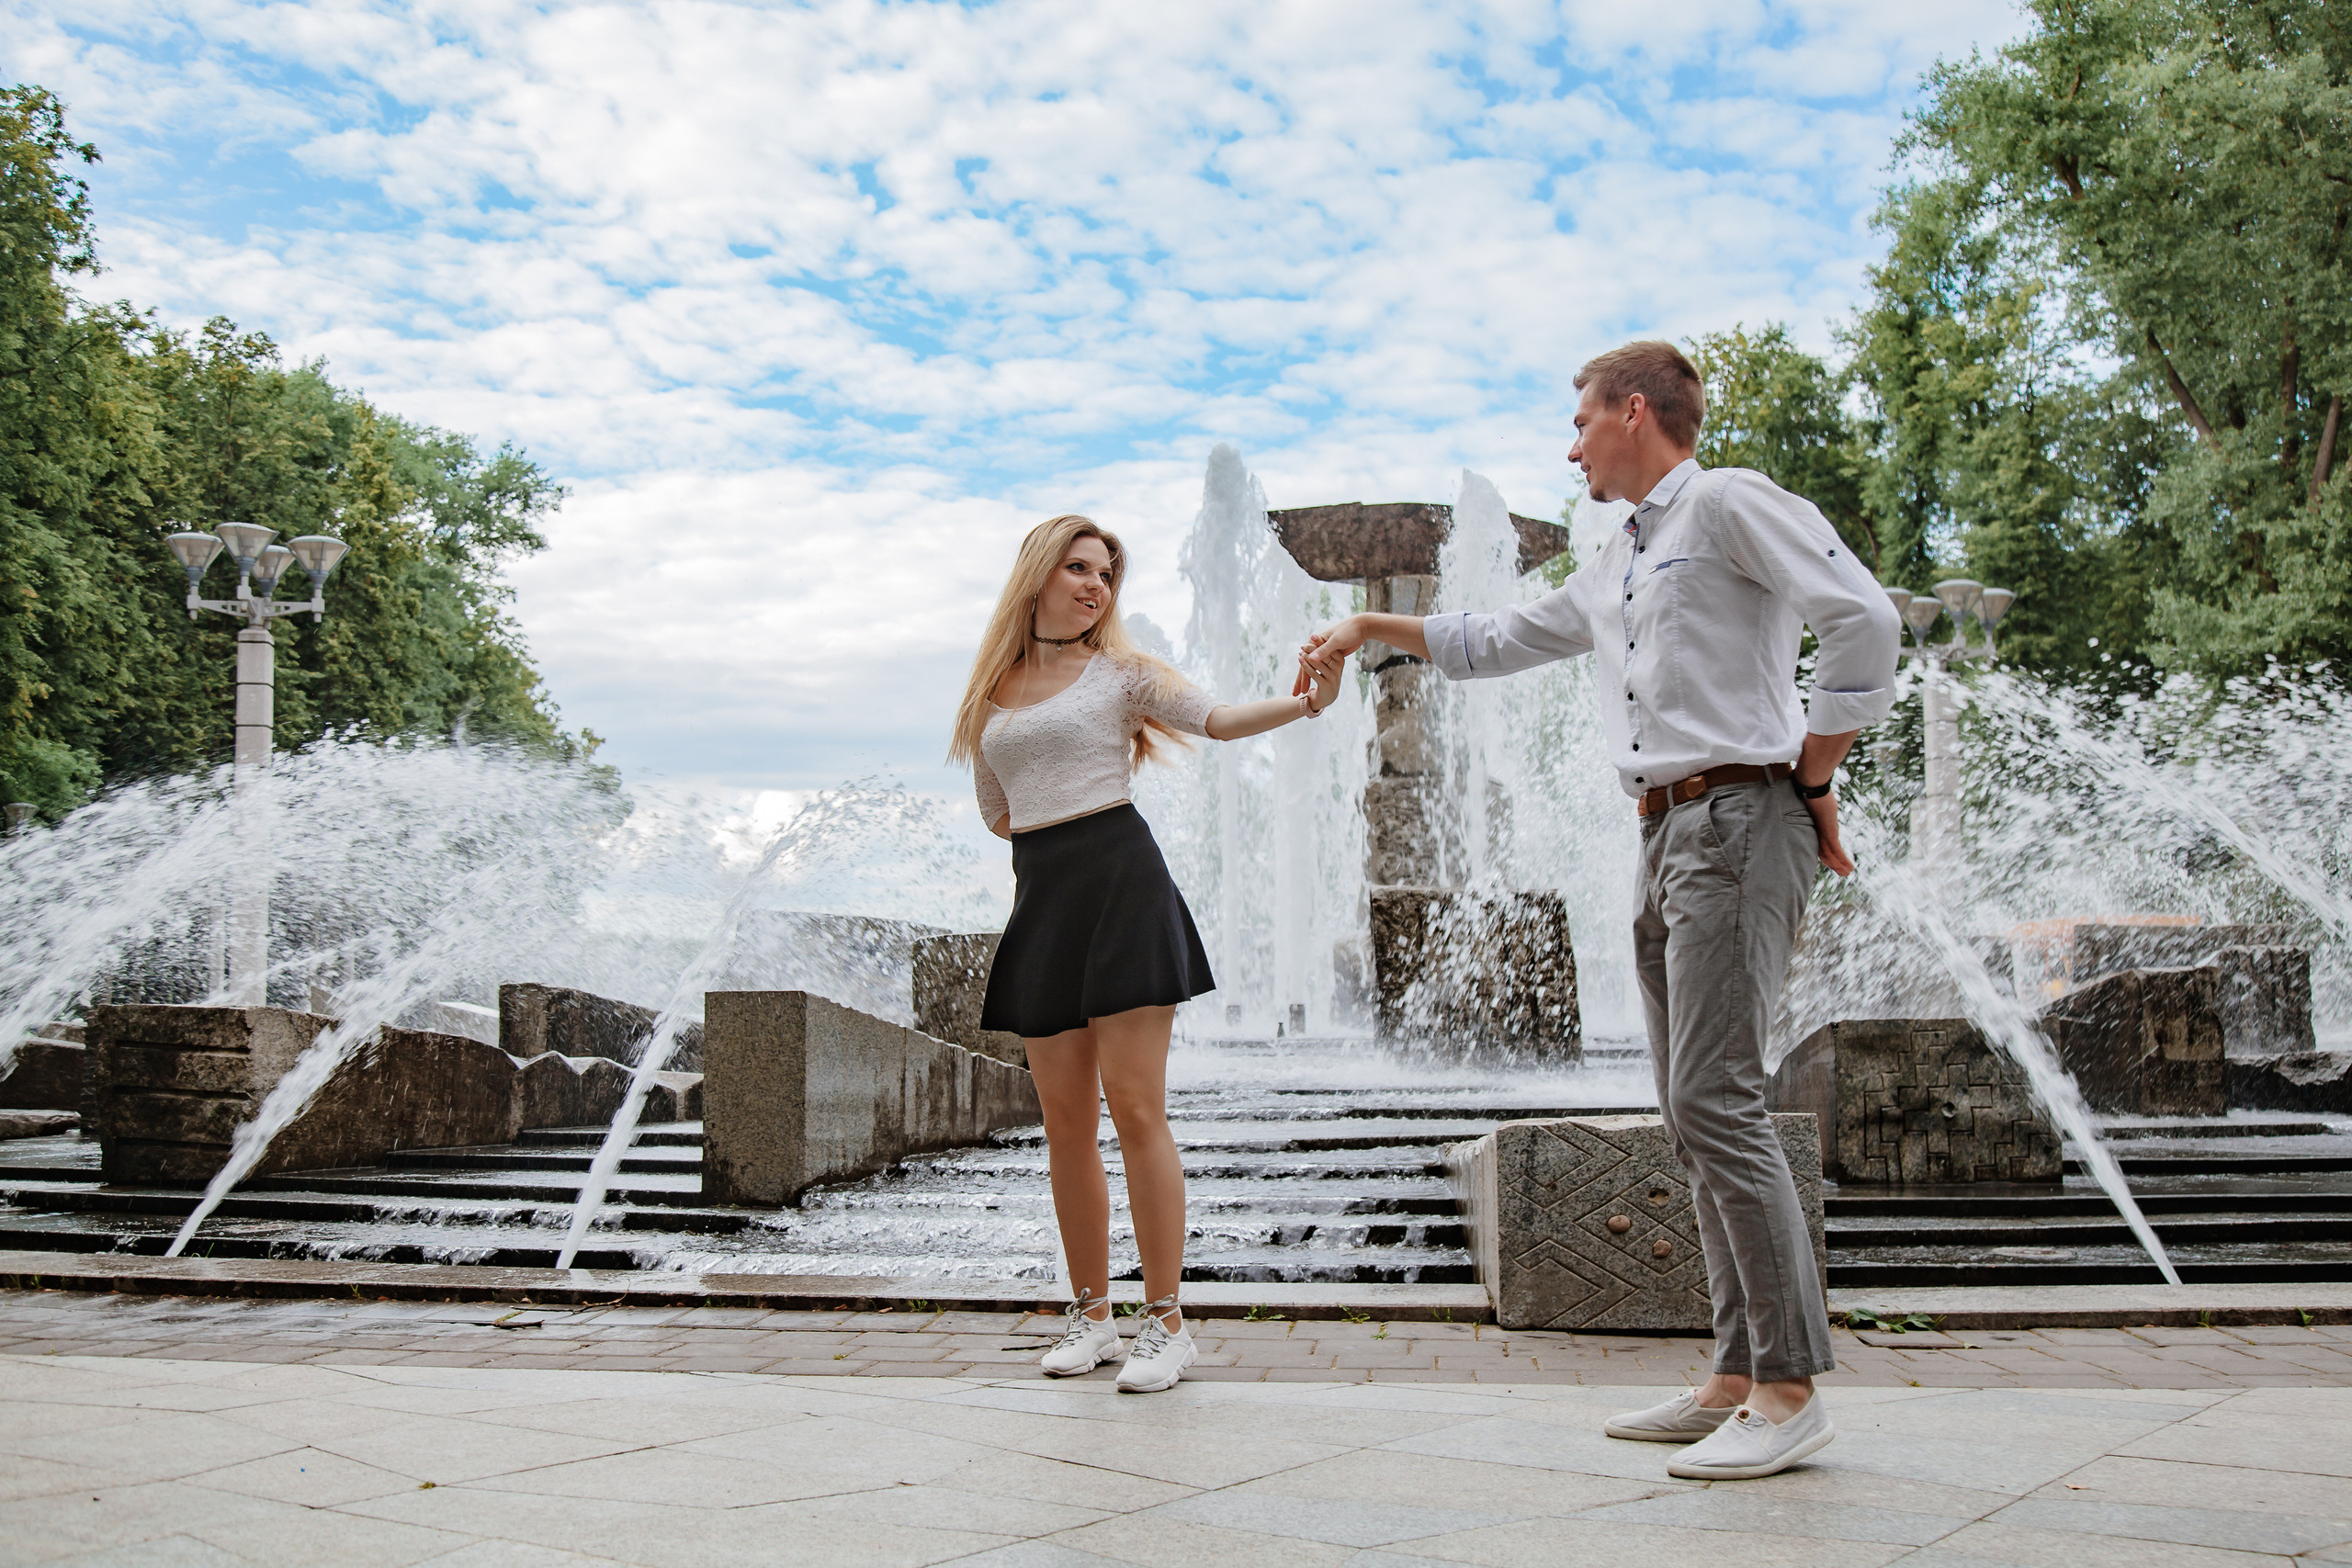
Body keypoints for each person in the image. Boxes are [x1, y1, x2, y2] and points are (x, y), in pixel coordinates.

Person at [1298, 342, 1898, 1478]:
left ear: (1637, 412)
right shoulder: (1620, 553)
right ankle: (1732, 1374)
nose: (1568, 444)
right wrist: (1367, 628)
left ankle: (1789, 1386)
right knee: (1688, 1112)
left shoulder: (1725, 503)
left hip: (1737, 818)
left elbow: (1864, 623)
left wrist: (1815, 775)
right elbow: (1498, 640)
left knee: (1719, 1101)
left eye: (1580, 421)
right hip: (1664, 834)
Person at [951, 513, 1344, 1393]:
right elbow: (997, 807)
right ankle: (1092, 1315)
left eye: (1108, 574)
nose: (1096, 585)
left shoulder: (1123, 674)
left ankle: (1166, 1322)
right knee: (1064, 1128)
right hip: (1044, 901)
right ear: (1038, 574)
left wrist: (1307, 700)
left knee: (1136, 1112)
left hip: (1123, 889)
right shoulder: (990, 693)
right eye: (1080, 567)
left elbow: (1218, 718)